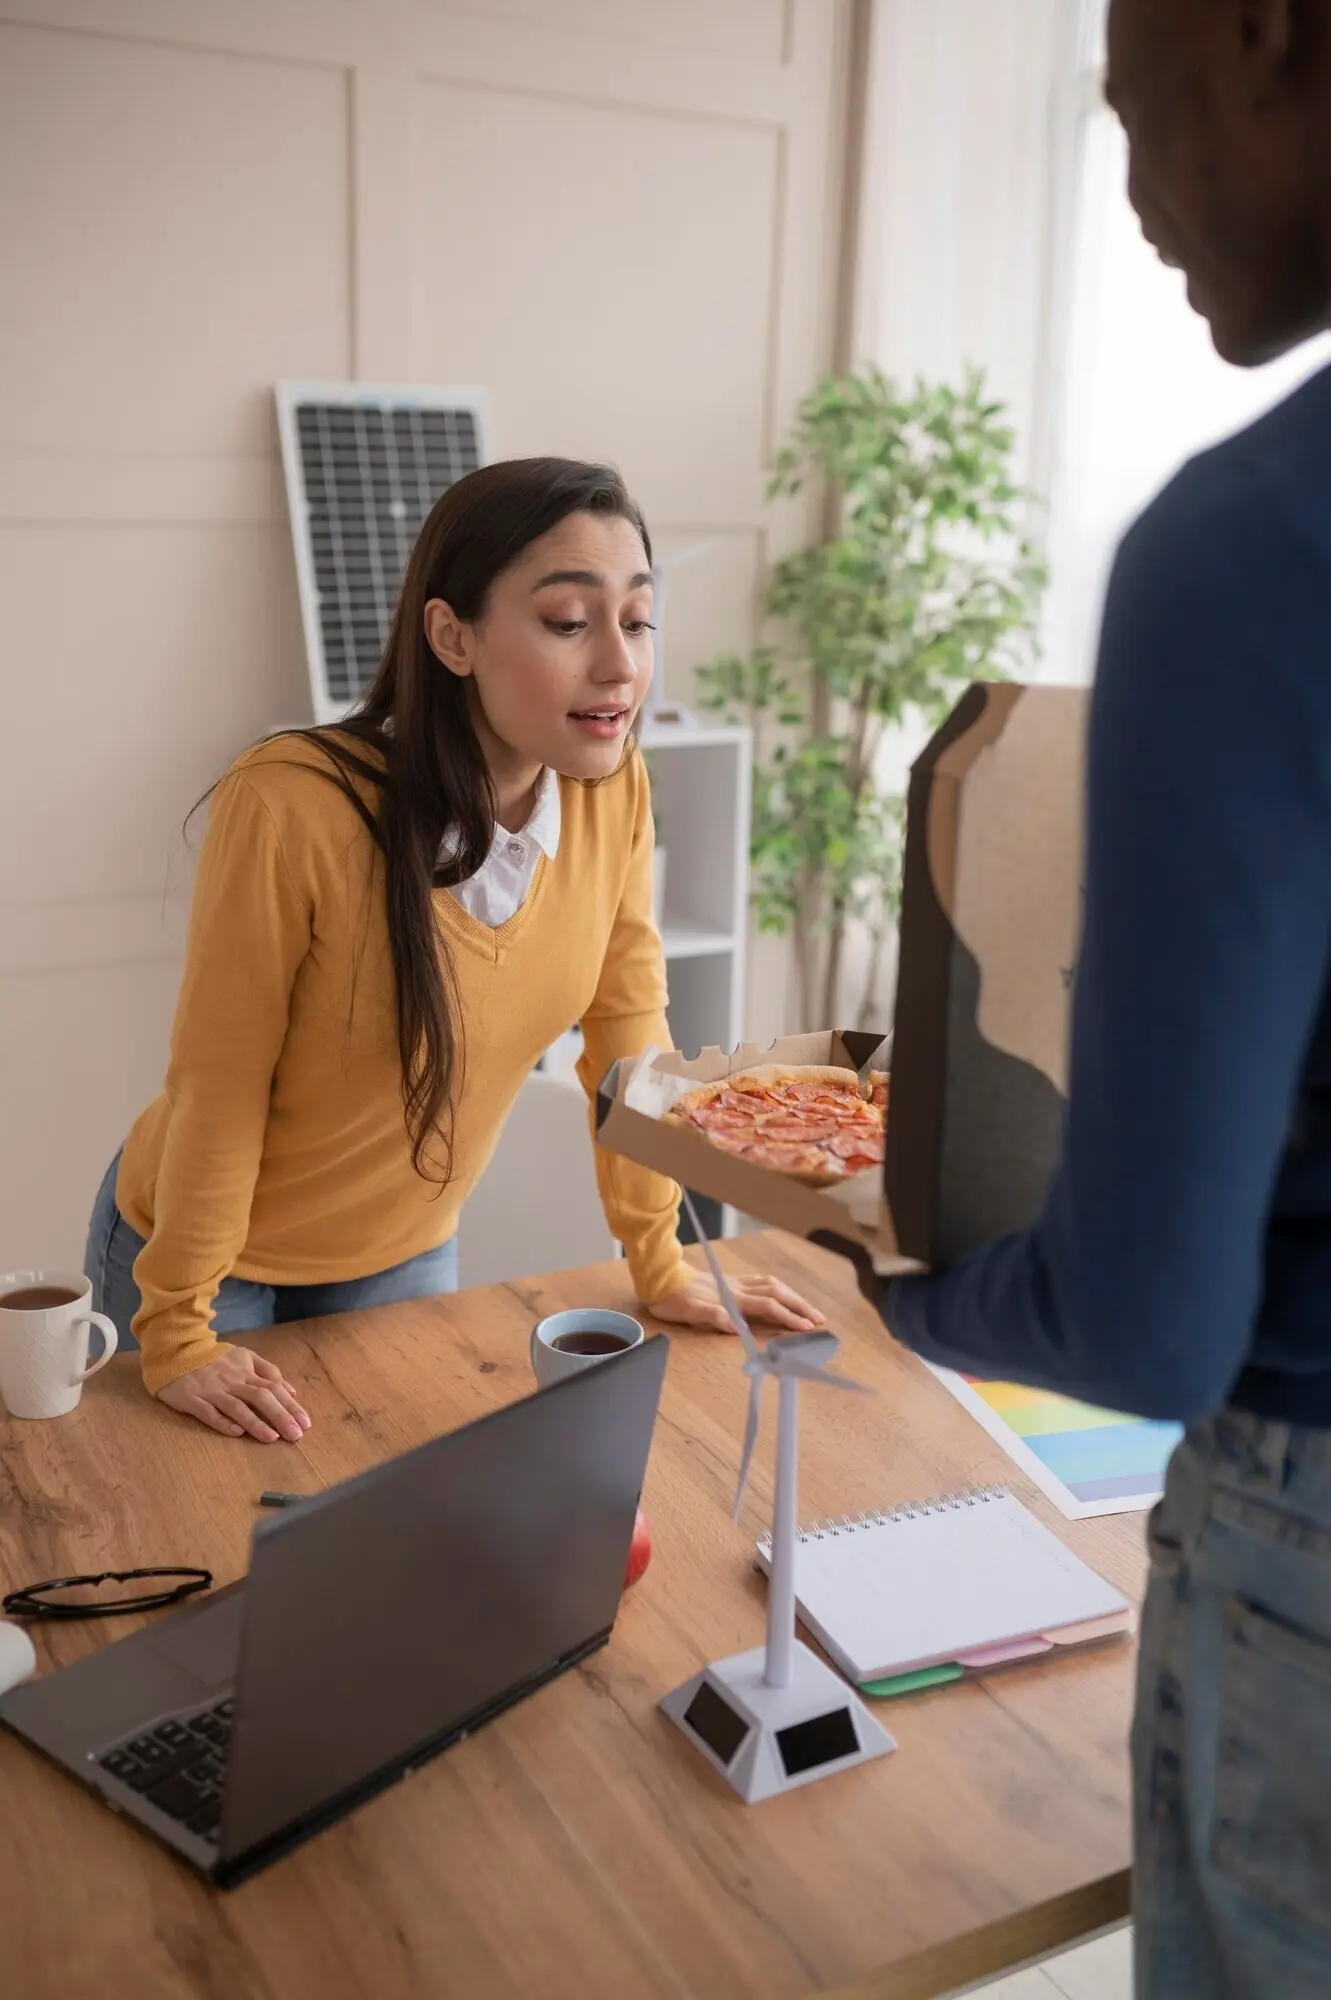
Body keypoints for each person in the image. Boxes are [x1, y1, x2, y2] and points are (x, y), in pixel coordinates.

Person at [864, 0, 1331, 1991]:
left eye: (1132, 118)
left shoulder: (1247, 552)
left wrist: (889, 1293)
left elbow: (1142, 1318)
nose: (1135, 199)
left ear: (1265, 33)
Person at [86, 457, 823, 1444]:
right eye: (569, 621)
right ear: (451, 636)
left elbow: (629, 1034)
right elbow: (220, 1081)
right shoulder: (292, 802)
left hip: (401, 1252)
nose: (619, 664)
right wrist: (178, 1327)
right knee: (199, 1554)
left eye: (637, 620)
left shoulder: (613, 791)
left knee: (382, 1545)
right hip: (201, 1264)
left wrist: (660, 1258)